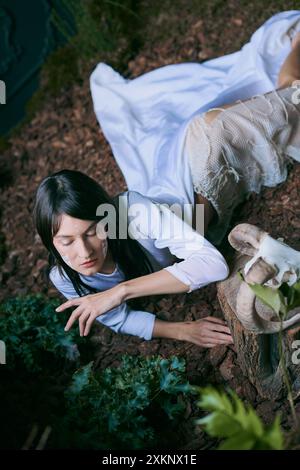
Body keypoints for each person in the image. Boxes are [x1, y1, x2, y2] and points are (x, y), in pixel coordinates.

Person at [33, 169, 233, 348]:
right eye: (67, 242)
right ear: (50, 243)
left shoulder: (134, 212)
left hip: (193, 198)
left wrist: (121, 292)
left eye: (93, 232)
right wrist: (184, 331)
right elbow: (119, 319)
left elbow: (213, 264)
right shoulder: (63, 276)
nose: (85, 252)